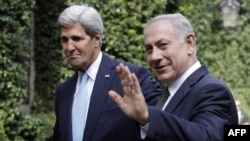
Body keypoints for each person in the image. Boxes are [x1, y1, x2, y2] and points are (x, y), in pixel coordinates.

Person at [108, 13, 238, 141]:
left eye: (163, 45)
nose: (154, 56)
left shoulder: (212, 90)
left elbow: (209, 136)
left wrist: (148, 117)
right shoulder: (168, 95)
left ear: (190, 43)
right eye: (149, 49)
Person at [52, 4, 162, 141]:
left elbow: (165, 126)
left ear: (96, 39)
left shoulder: (132, 77)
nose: (69, 47)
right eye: (64, 40)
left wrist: (145, 119)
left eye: (76, 39)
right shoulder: (63, 92)